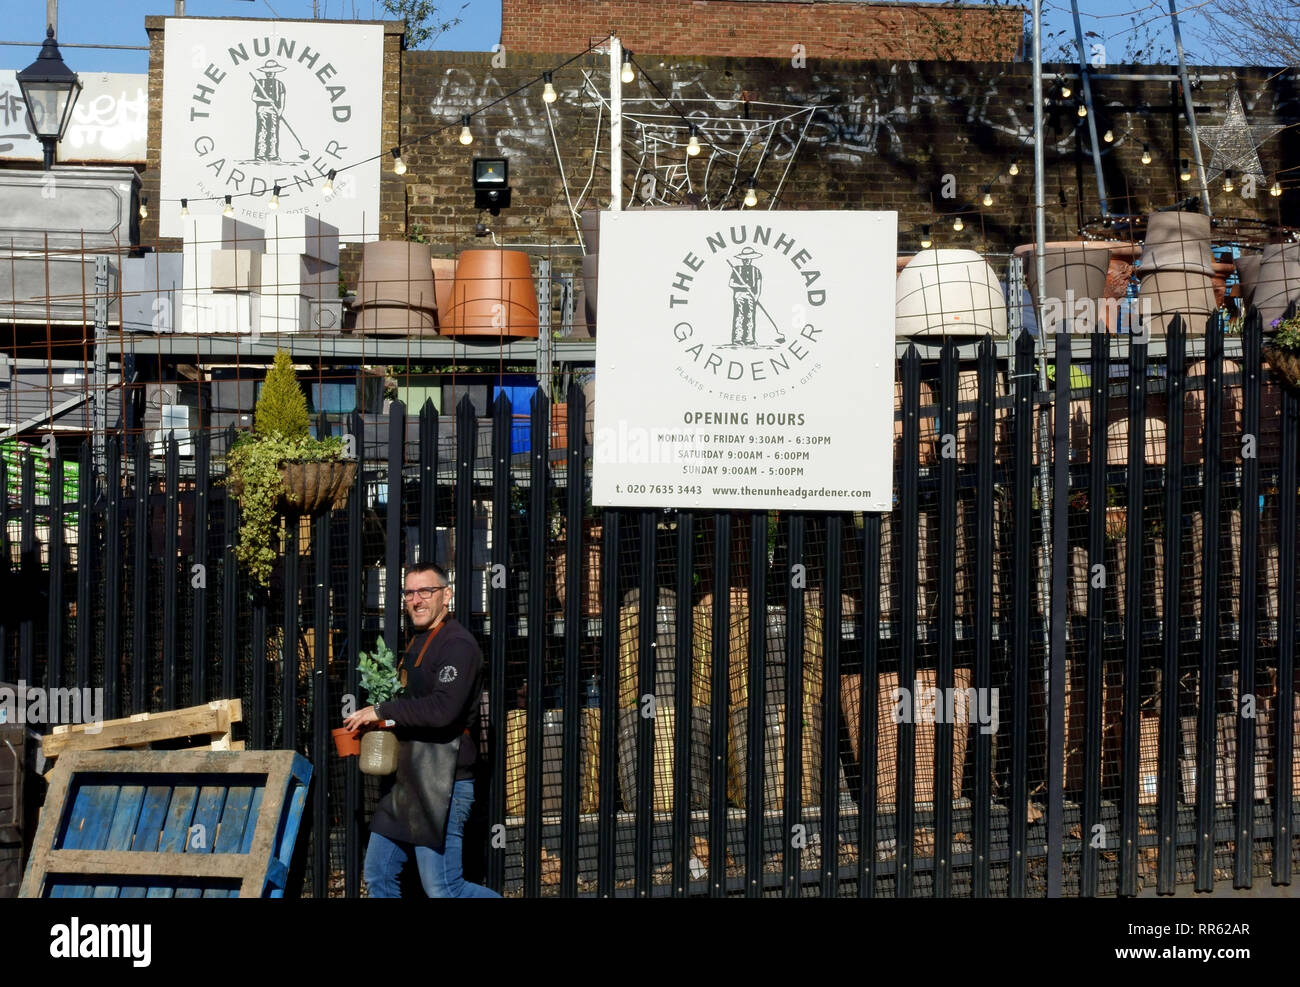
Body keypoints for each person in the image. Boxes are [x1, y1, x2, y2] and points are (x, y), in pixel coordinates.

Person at [344, 562, 500, 898]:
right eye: (409, 592)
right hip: (410, 778)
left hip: (443, 782)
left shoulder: (458, 645)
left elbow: (443, 711)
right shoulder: (420, 640)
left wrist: (381, 710)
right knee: (378, 875)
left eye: (425, 591)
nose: (416, 600)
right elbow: (413, 707)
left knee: (445, 889)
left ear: (447, 595)